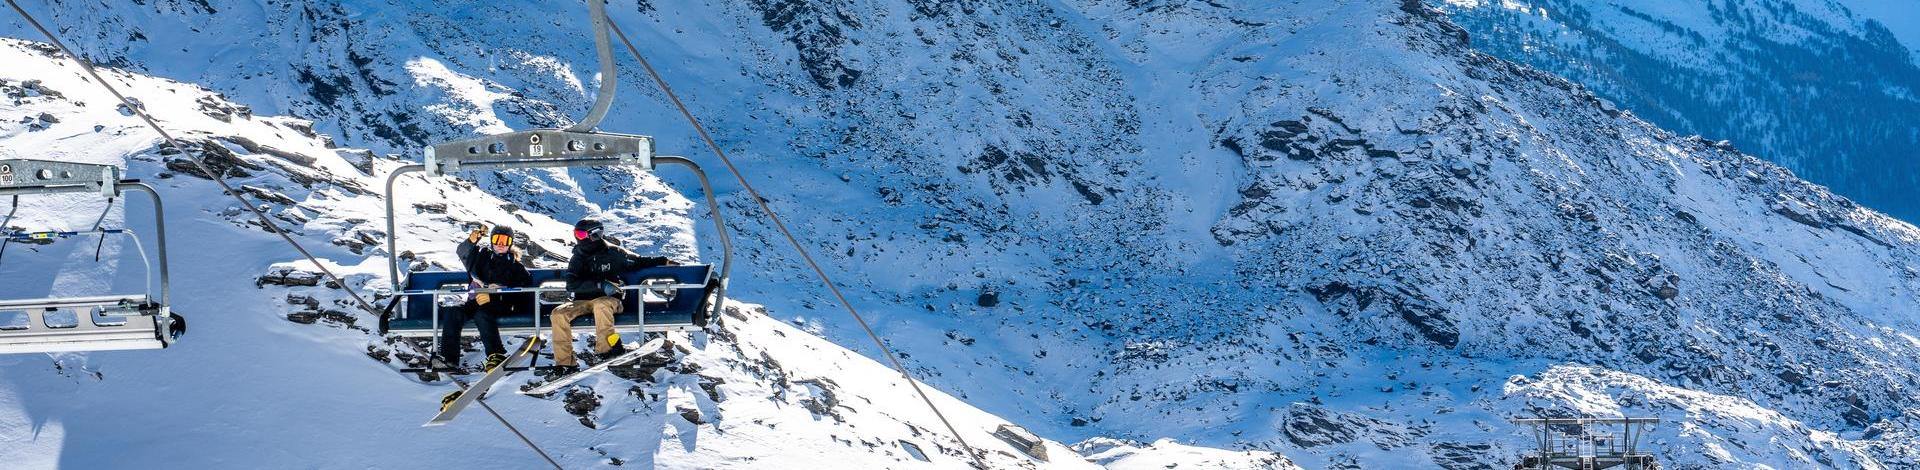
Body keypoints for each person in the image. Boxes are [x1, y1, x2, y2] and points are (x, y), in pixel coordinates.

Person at [549, 218, 673, 373]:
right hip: (582, 301)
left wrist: (664, 261)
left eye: (581, 235)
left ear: (595, 235)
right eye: (577, 234)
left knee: (601, 305)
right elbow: (571, 284)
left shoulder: (613, 253)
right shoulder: (578, 257)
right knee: (558, 313)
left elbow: (638, 261)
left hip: (610, 300)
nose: (578, 239)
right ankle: (565, 363)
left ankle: (606, 350)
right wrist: (598, 284)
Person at [438, 224, 534, 371]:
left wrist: (497, 296)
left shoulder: (516, 267)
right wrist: (471, 241)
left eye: (505, 241)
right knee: (453, 312)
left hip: (503, 306)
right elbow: (463, 254)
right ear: (491, 241)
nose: (500, 244)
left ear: (511, 243)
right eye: (497, 239)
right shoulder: (482, 258)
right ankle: (449, 359)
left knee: (482, 313)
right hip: (476, 301)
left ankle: (497, 354)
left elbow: (524, 295)